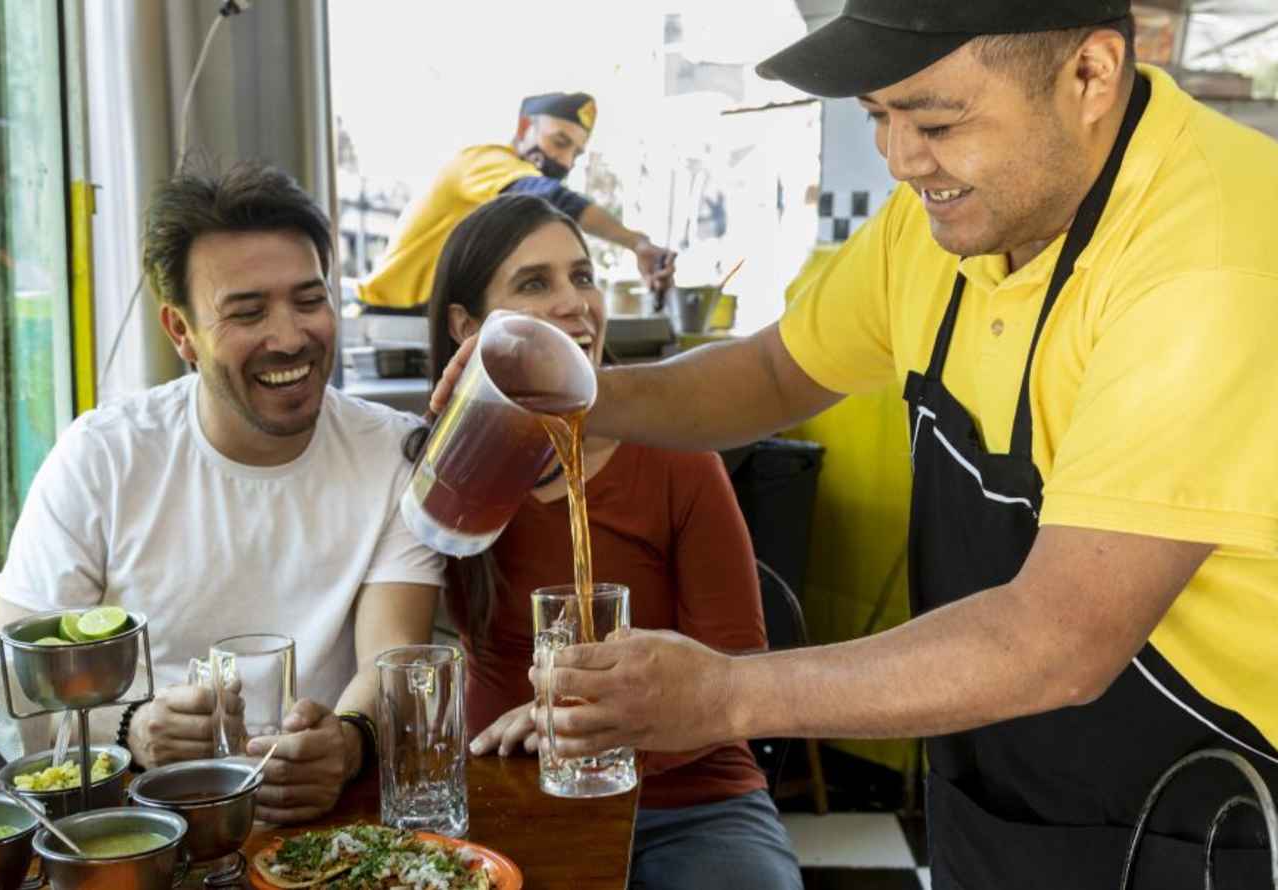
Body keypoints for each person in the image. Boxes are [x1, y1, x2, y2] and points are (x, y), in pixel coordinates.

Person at [432, 4, 1278, 888]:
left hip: (1199, 817)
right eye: (881, 115)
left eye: (937, 119)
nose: (902, 159)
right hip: (999, 796)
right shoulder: (952, 214)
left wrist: (726, 695)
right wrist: (578, 397)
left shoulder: (1211, 255)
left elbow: (1059, 637)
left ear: (1092, 75)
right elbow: (771, 373)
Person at [0, 163, 443, 824]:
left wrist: (347, 743)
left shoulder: (395, 453)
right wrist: (133, 732)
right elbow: (6, 678)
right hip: (141, 830)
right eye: (247, 312)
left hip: (325, 827)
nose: (289, 337)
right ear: (181, 333)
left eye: (309, 300)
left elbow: (391, 659)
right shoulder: (103, 455)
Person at [407, 194, 803, 889]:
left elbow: (737, 656)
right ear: (468, 327)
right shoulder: (439, 474)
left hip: (693, 798)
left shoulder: (679, 459)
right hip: (513, 787)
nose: (575, 304)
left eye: (583, 277)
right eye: (536, 284)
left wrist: (582, 722)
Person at [356, 91, 676, 313]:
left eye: (575, 154)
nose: (564, 160)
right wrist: (637, 243)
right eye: (559, 142)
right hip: (395, 315)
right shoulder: (485, 160)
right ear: (525, 128)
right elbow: (550, 195)